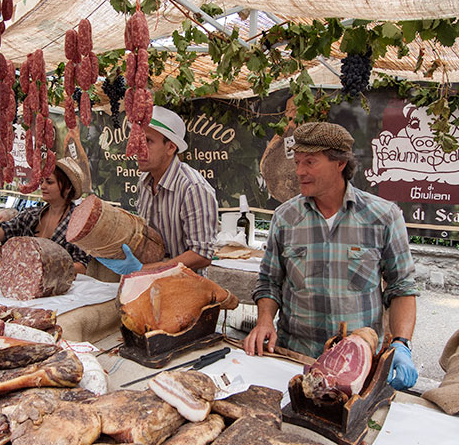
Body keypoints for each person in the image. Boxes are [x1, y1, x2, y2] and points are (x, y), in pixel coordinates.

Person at [243, 122, 420, 391]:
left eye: (310, 162)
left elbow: (401, 288)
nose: (300, 171)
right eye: (298, 162)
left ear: (339, 163)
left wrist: (401, 343)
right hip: (294, 359)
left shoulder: (383, 217)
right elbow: (269, 281)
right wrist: (265, 321)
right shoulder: (285, 218)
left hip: (356, 367)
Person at [96, 106, 218, 276]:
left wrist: (150, 270)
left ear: (171, 147)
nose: (138, 148)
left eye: (148, 141)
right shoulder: (144, 181)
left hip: (185, 287)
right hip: (149, 282)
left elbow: (202, 254)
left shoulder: (193, 188)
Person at [0, 157, 91, 275]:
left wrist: (45, 267)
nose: (42, 186)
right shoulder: (30, 216)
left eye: (49, 182)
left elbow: (81, 267)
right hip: (26, 283)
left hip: (62, 288)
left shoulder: (79, 225)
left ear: (67, 187)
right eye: (42, 181)